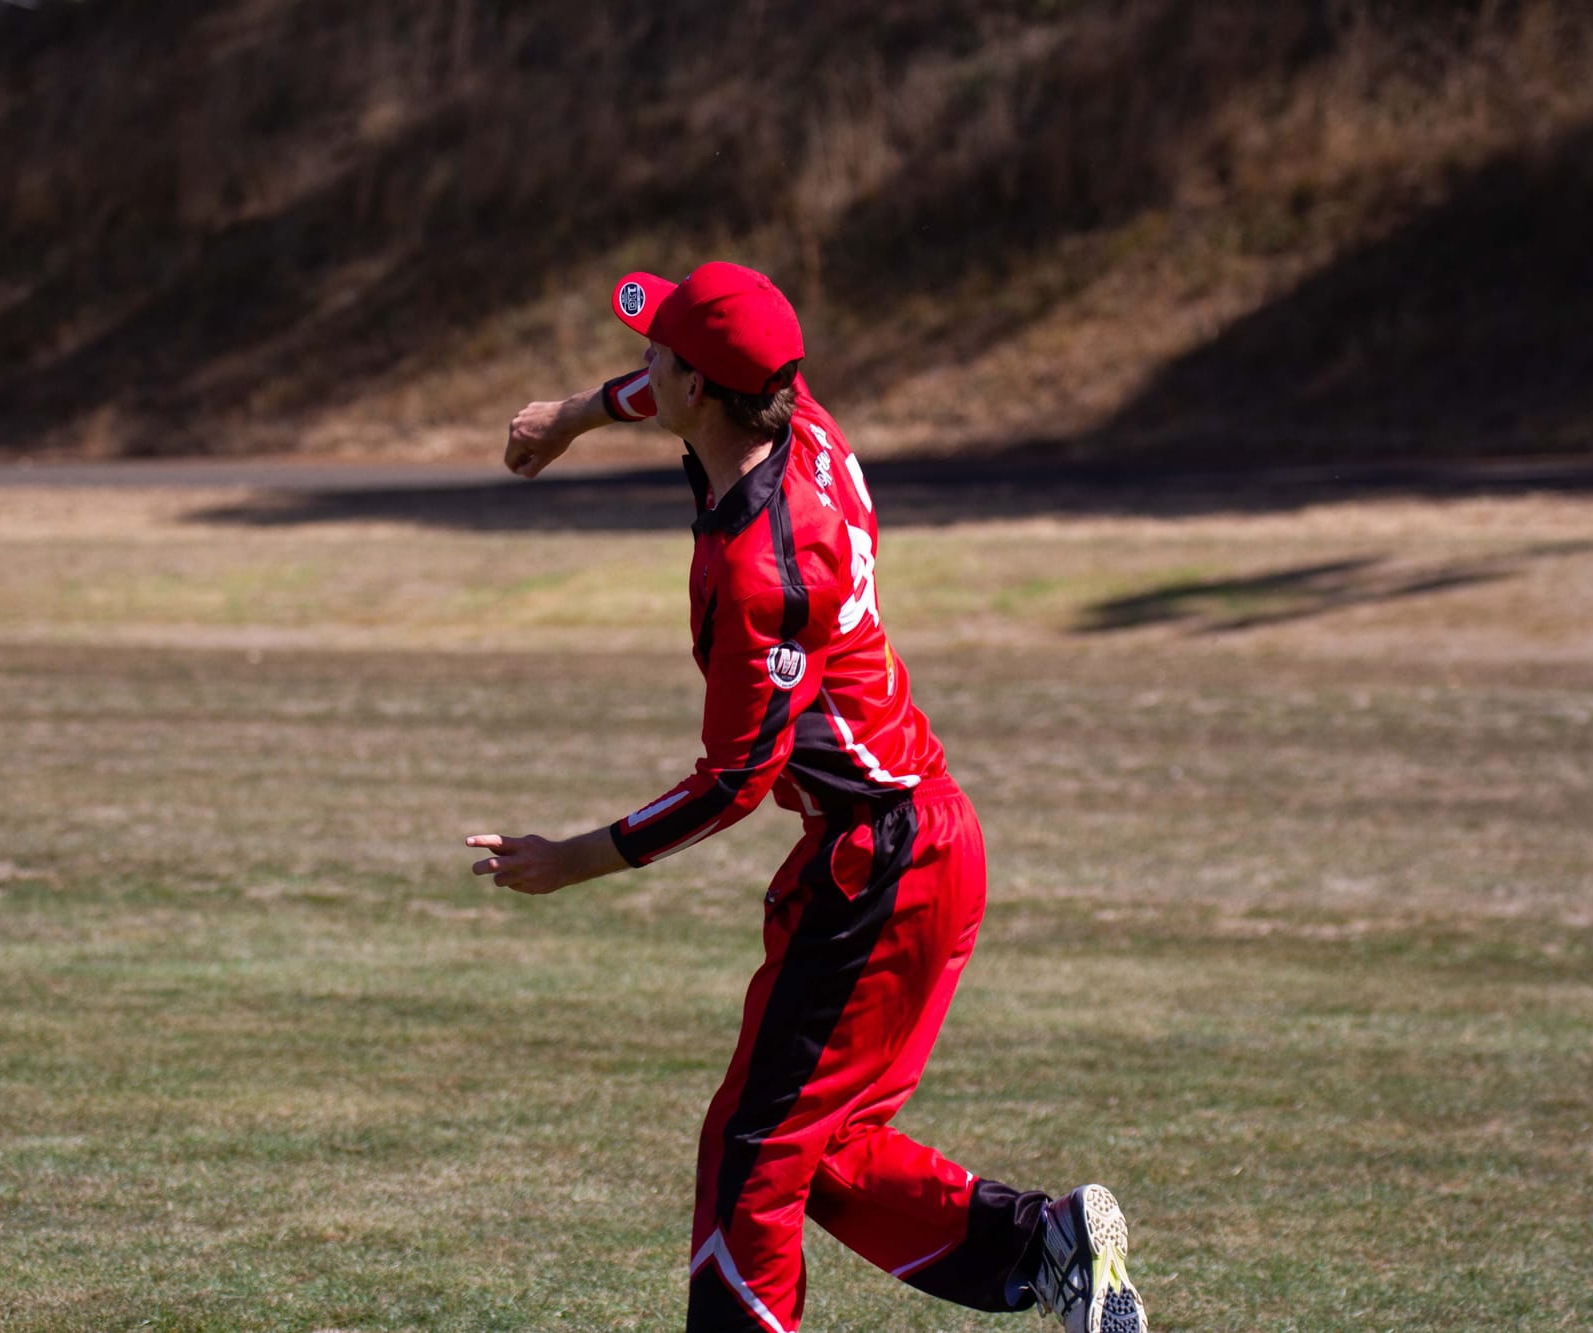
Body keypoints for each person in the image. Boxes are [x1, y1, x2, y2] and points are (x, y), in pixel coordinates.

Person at [465, 262, 1147, 1333]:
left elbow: (733, 781)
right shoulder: (788, 416)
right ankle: (1042, 1246)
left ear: (700, 386)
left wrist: (573, 859)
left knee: (752, 1154)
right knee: (811, 1148)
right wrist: (574, 415)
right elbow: (663, 390)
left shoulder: (762, 570)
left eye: (656, 350)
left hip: (881, 869)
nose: (640, 361)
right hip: (913, 842)